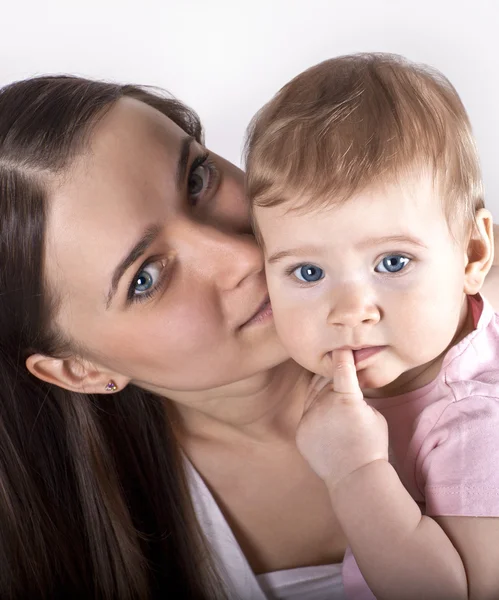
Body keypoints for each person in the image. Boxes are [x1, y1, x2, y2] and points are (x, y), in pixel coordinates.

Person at [0, 71, 498, 600]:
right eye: (145, 279)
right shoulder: (76, 540)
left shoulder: (466, 322)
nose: (242, 257)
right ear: (82, 370)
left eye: (197, 179)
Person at [246, 53, 499, 599]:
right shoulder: (446, 325)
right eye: (308, 272)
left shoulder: (474, 423)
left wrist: (354, 473)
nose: (349, 310)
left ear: (473, 253)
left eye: (392, 263)